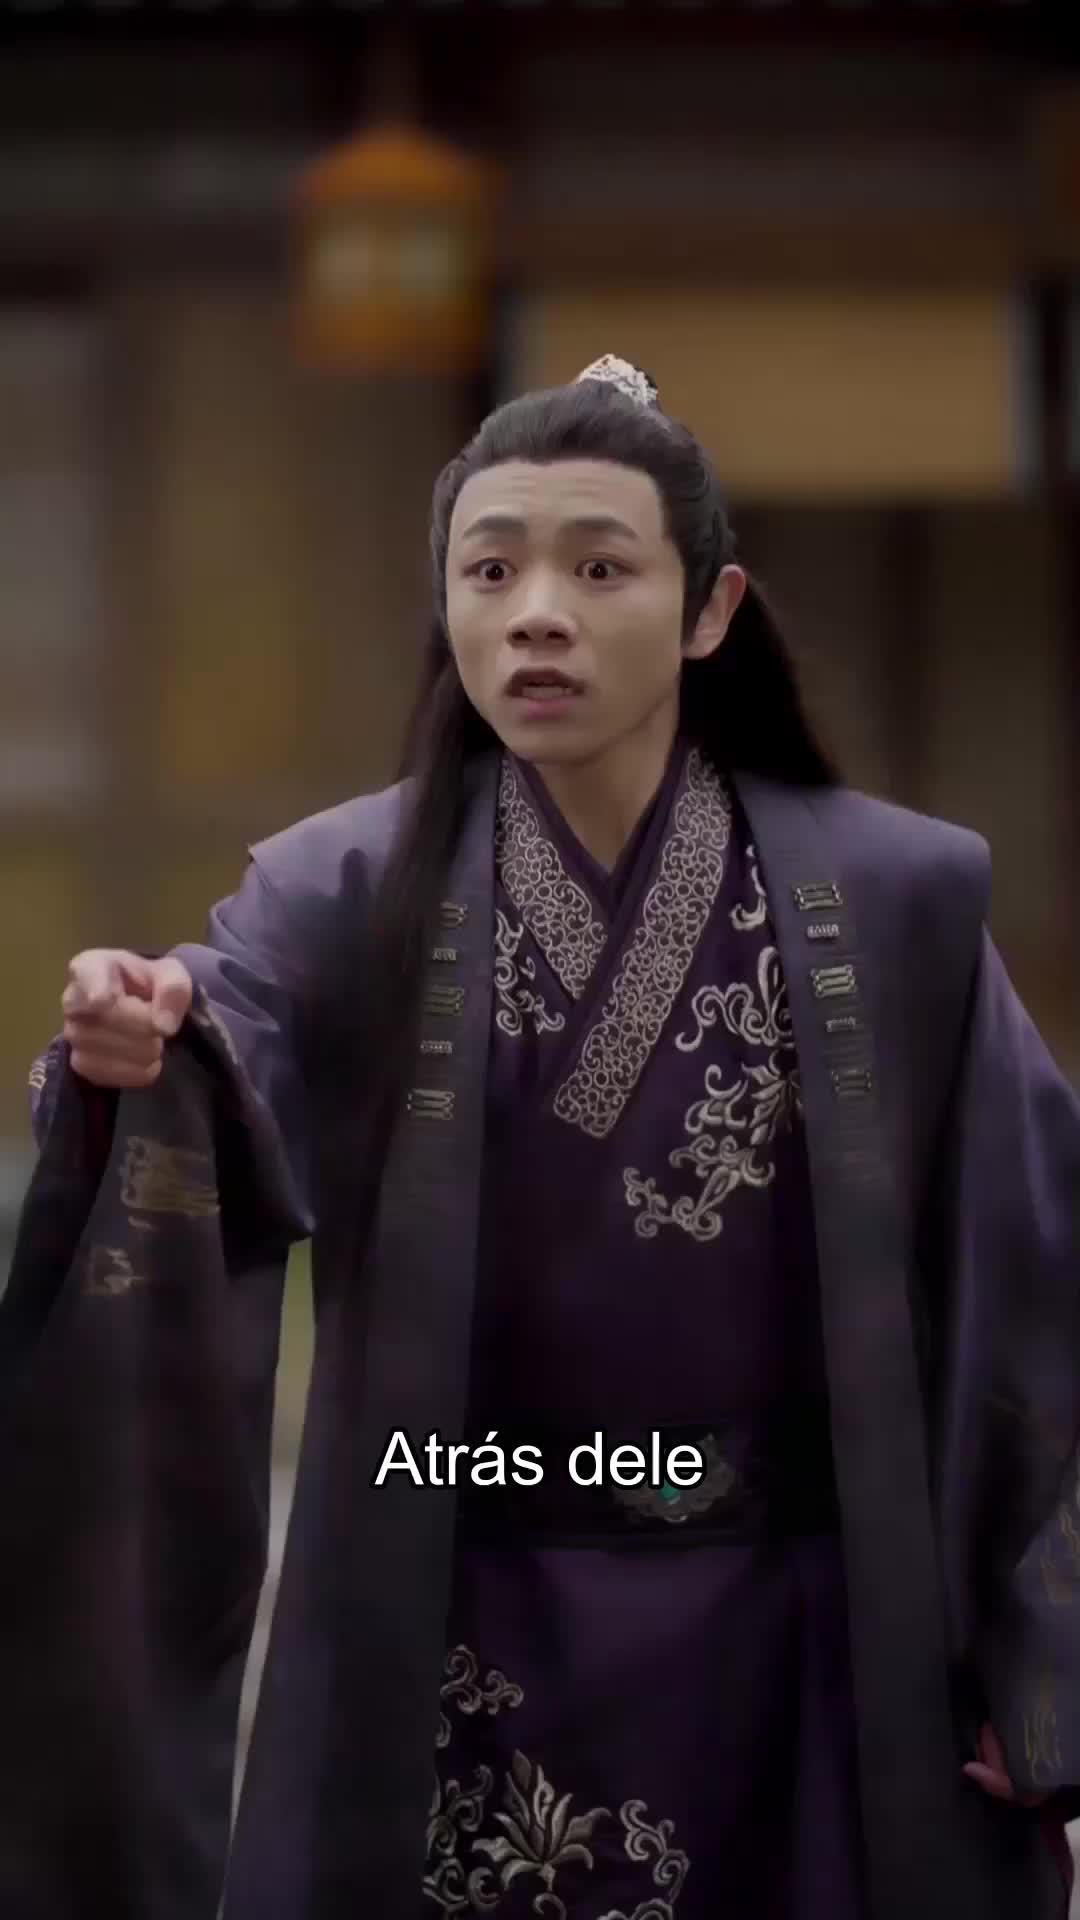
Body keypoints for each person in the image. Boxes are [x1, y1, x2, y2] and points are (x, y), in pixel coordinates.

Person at [14, 355, 1080, 1920]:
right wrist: (139, 1043)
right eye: (492, 570)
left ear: (710, 610)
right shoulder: (339, 891)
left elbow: (1035, 1268)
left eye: (598, 568)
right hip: (448, 1613)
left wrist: (1042, 1655)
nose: (536, 615)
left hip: (800, 1633)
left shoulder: (891, 899)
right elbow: (216, 1027)